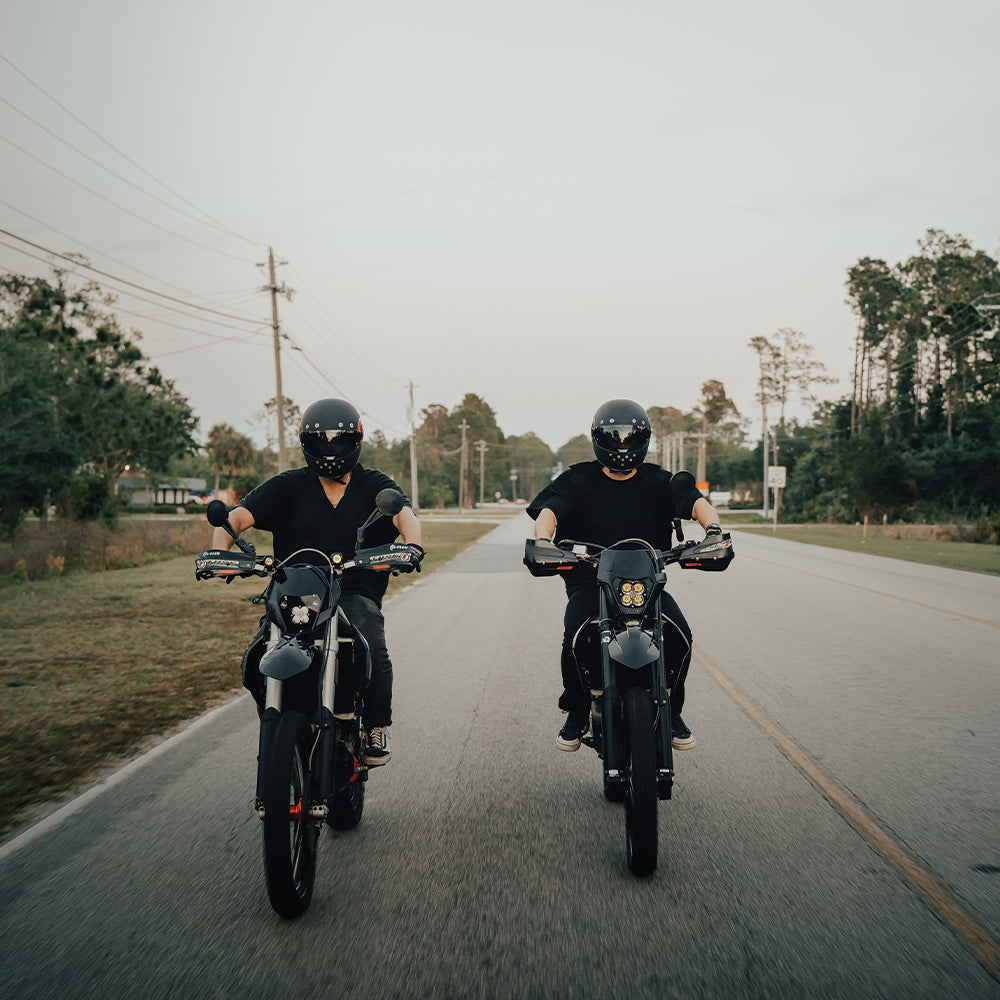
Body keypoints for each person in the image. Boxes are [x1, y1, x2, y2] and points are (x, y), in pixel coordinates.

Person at [210, 398, 423, 766]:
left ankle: (375, 725)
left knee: (370, 642)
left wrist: (412, 546)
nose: (330, 449)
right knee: (257, 657)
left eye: (339, 440)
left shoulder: (374, 485)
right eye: (320, 441)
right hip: (295, 590)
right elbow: (237, 518)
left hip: (353, 590)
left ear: (356, 440)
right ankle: (278, 724)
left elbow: (405, 516)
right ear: (305, 443)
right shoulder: (289, 485)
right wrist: (220, 553)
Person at [526, 398, 723, 752]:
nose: (621, 444)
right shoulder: (577, 479)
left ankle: (672, 710)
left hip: (647, 583)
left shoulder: (659, 480)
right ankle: (577, 709)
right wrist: (543, 540)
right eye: (612, 436)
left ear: (643, 439)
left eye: (629, 437)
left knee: (681, 635)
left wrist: (713, 532)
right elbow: (549, 513)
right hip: (590, 580)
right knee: (575, 635)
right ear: (597, 438)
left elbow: (697, 503)